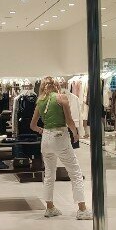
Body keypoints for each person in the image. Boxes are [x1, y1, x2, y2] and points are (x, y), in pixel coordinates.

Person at [29, 76, 91, 220]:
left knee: (49, 174)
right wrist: (75, 133)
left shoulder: (40, 101)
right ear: (56, 85)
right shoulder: (61, 98)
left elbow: (32, 125)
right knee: (75, 172)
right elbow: (69, 120)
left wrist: (41, 130)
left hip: (46, 139)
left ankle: (50, 208)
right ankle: (82, 209)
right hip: (60, 136)